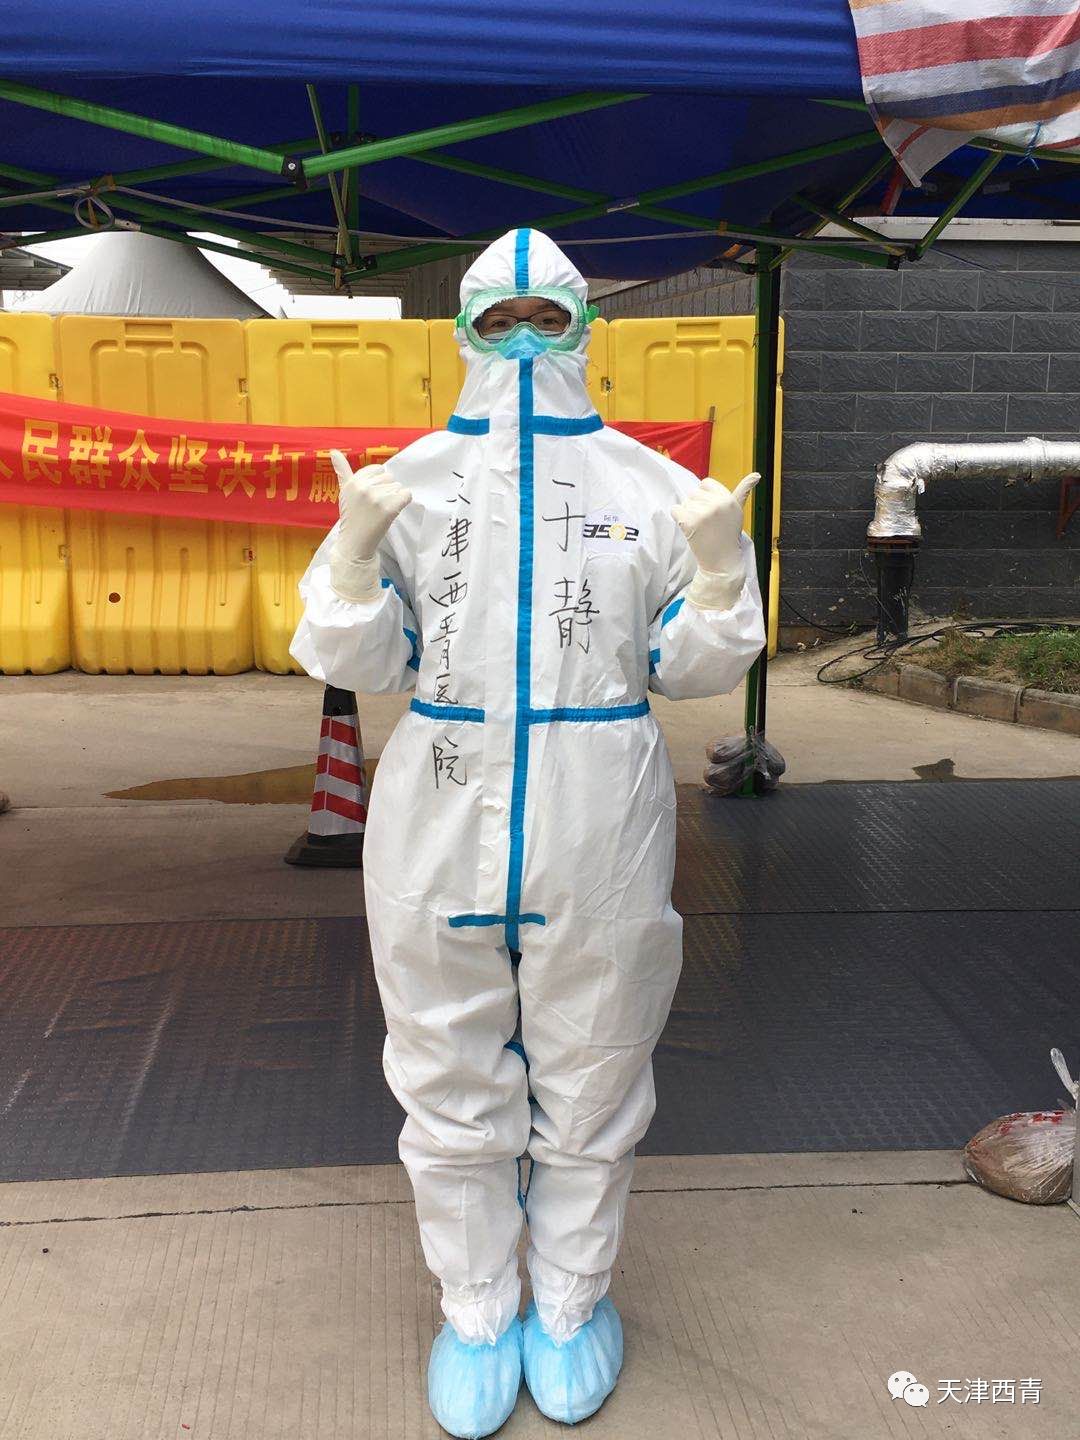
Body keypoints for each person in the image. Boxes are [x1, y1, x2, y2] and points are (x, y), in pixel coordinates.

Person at [290, 228, 765, 1438]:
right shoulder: (407, 484)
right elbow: (359, 658)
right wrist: (352, 554)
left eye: (542, 319)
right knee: (444, 1069)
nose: (517, 344)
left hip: (597, 806)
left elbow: (693, 669)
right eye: (494, 322)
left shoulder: (651, 489)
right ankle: (477, 1308)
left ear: (583, 329)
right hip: (440, 803)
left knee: (594, 1066)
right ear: (460, 332)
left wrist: (719, 576)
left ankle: (569, 1302)